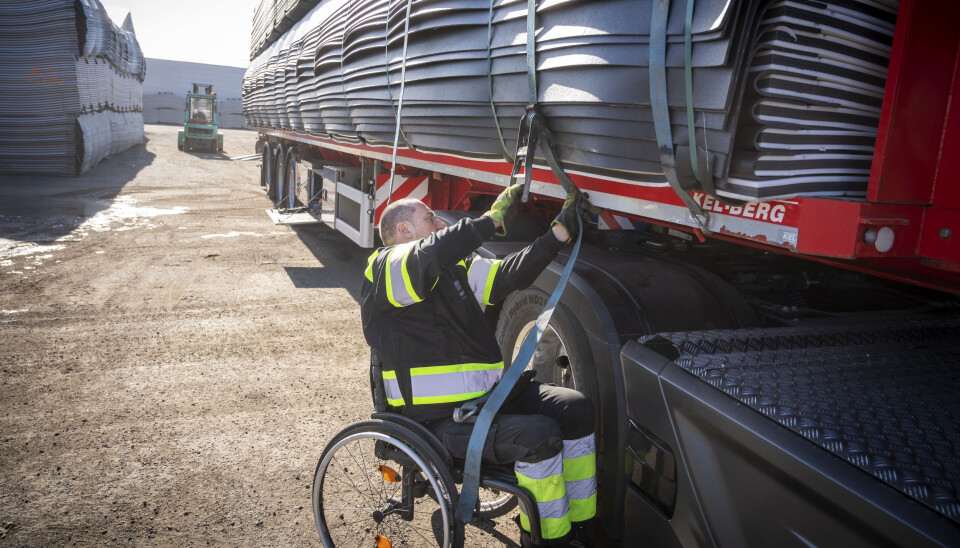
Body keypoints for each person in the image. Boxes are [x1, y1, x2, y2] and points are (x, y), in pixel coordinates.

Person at [360, 185, 597, 547]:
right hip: (438, 422)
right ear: (404, 230)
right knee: (539, 435)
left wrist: (558, 235)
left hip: (486, 402)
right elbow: (429, 254)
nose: (440, 223)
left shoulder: (453, 268)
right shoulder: (386, 267)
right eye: (430, 218)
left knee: (576, 409)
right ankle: (548, 541)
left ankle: (579, 527)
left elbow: (508, 276)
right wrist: (489, 220)